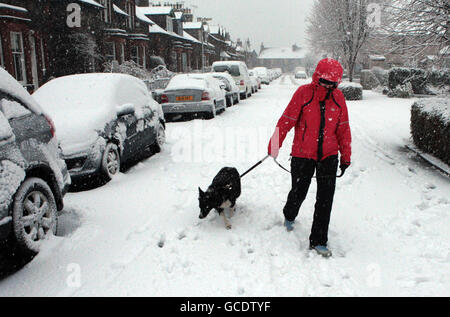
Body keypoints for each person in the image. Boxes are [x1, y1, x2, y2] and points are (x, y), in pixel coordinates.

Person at [267, 58, 352, 257]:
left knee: (325, 200)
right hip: (302, 154)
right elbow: (286, 120)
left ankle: (319, 240)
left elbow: (343, 129)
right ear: (317, 77)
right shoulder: (304, 93)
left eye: (332, 83)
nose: (328, 86)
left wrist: (345, 156)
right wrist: (274, 145)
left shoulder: (339, 99)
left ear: (337, 82)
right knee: (299, 191)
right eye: (324, 81)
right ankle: (289, 213)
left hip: (329, 156)